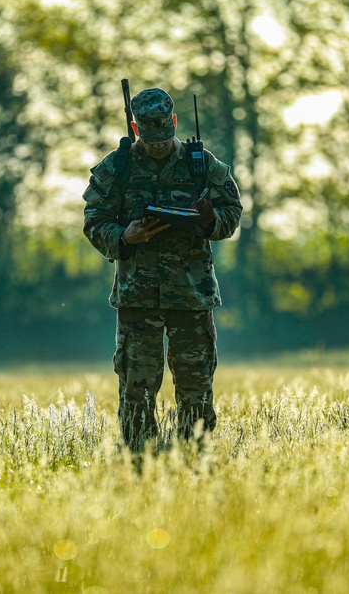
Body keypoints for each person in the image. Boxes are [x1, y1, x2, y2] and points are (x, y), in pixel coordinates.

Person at [83, 87, 242, 453]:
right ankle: (139, 462)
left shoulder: (201, 163)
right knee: (136, 389)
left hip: (191, 294)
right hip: (137, 297)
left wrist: (209, 219)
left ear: (174, 123)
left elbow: (231, 213)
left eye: (164, 136)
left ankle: (196, 460)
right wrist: (125, 235)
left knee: (196, 387)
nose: (158, 145)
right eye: (150, 138)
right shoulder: (118, 167)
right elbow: (93, 219)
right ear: (137, 130)